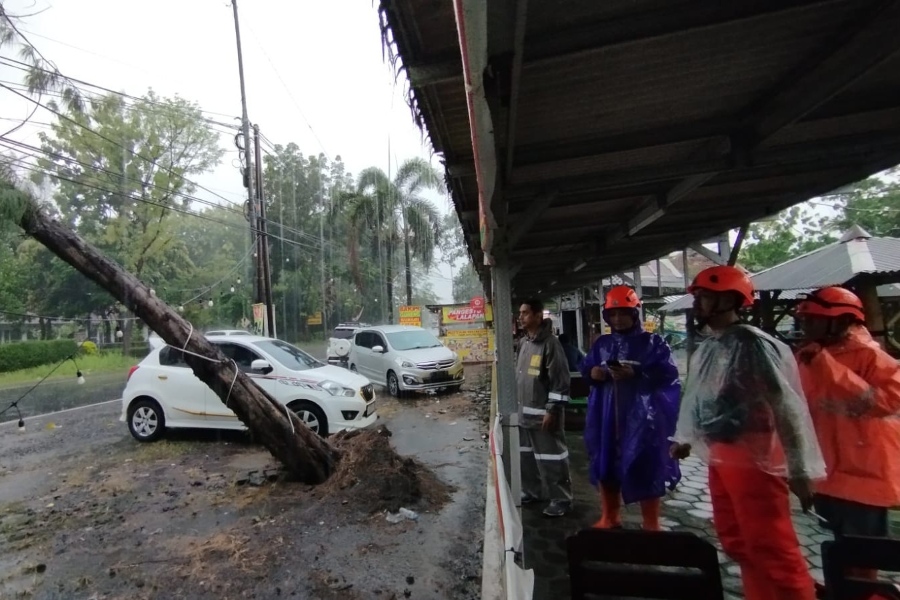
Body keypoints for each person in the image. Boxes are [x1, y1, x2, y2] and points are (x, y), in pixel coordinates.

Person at [669, 265, 826, 600]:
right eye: (697, 296)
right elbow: (701, 398)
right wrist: (686, 437)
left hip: (754, 456)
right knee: (737, 540)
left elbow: (784, 405)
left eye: (705, 297)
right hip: (721, 454)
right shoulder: (712, 345)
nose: (698, 304)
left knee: (771, 546)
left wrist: (798, 469)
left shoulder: (752, 344)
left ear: (728, 299)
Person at [794, 287, 900, 593]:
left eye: (814, 319)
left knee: (863, 557)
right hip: (826, 473)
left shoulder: (871, 356)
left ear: (840, 321)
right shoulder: (808, 355)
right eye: (806, 319)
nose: (807, 326)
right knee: (837, 548)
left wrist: (829, 367)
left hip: (864, 478)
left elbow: (887, 403)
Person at [581, 285, 681, 531]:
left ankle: (651, 523)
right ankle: (610, 516)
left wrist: (636, 373)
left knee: (645, 465)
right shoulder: (602, 344)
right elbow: (586, 368)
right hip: (605, 419)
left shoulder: (653, 343)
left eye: (623, 313)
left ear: (635, 313)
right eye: (613, 314)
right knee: (606, 466)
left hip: (642, 421)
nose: (618, 319)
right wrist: (592, 373)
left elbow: (669, 375)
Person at [516, 298, 573, 517]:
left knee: (552, 458)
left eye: (526, 313)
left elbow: (560, 381)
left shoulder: (550, 344)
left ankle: (561, 499)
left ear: (539, 316)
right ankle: (533, 492)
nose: (521, 317)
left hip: (544, 417)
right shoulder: (525, 343)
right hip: (524, 417)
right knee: (527, 459)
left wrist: (552, 410)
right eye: (520, 313)